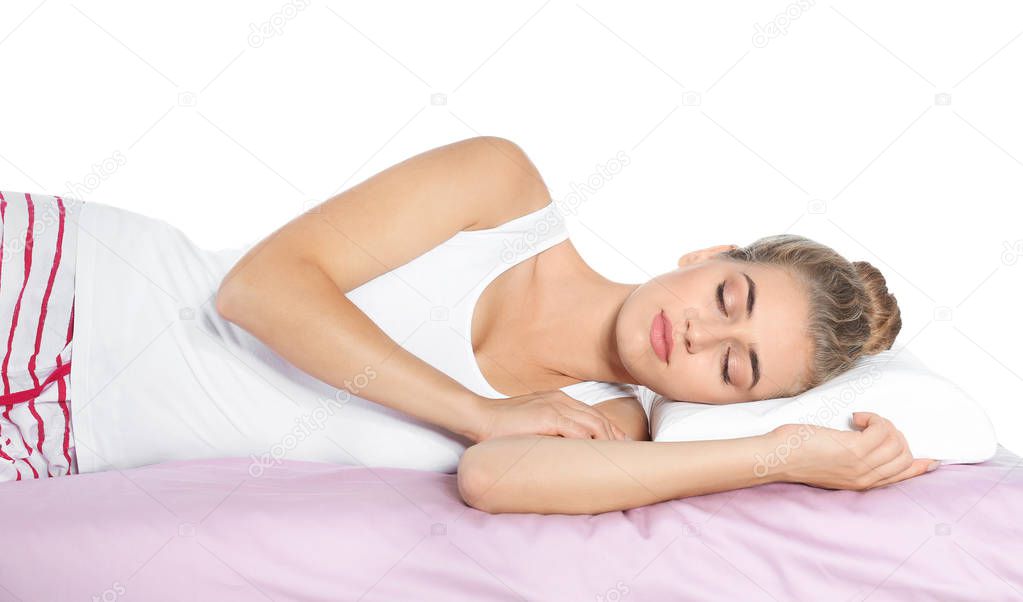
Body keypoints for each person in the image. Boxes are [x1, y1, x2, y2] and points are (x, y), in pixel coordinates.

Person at [0, 136, 936, 513]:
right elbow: (261, 289)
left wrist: (779, 454)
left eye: (735, 371)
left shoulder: (611, 427)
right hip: (61, 286)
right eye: (728, 301)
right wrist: (475, 409)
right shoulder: (505, 194)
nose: (697, 338)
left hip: (55, 444)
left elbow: (494, 480)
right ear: (704, 256)